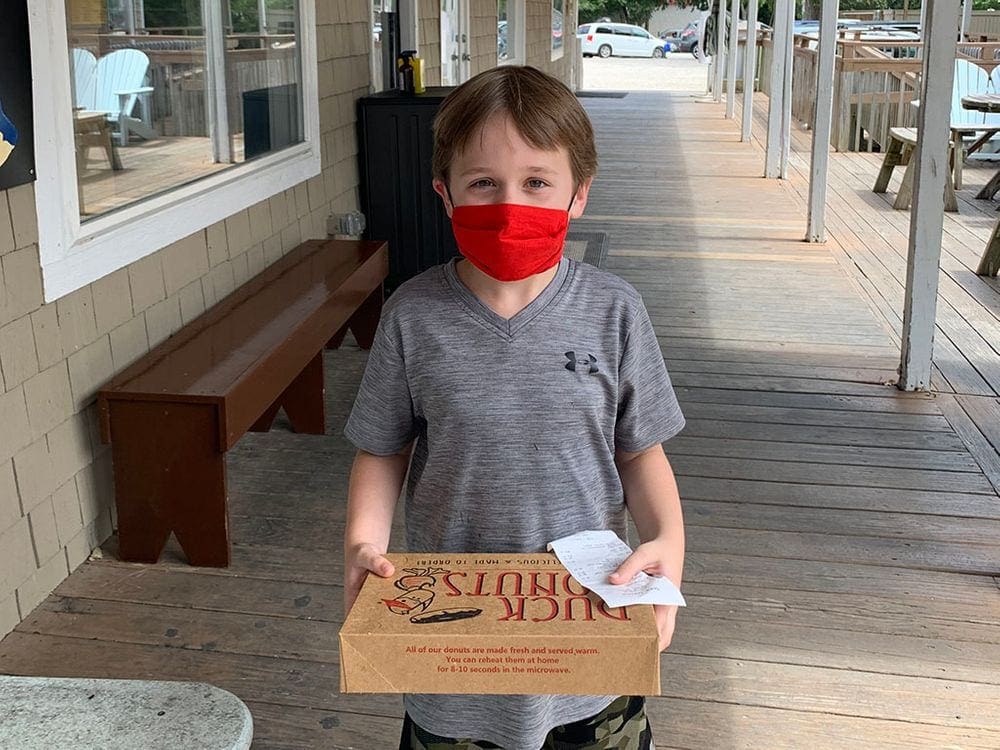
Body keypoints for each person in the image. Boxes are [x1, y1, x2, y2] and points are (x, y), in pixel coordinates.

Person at [343, 65, 686, 750]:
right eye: (483, 184)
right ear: (445, 195)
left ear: (577, 195)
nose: (509, 204)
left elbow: (640, 451)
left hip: (590, 629)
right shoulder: (413, 316)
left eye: (536, 182)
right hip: (452, 637)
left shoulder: (615, 311)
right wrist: (363, 542)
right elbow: (382, 449)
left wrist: (670, 545)